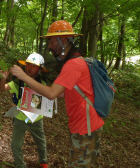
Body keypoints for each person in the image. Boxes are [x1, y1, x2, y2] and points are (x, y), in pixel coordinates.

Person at [10, 20, 104, 167]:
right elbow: (62, 93)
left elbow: (52, 93)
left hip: (86, 127)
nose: (49, 46)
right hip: (88, 126)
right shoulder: (78, 61)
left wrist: (23, 76)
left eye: (51, 41)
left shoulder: (73, 65)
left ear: (63, 40)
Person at [0, 53, 49, 168]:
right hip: (20, 118)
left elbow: (48, 98)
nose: (29, 68)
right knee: (15, 145)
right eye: (28, 65)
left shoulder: (43, 84)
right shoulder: (18, 82)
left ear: (39, 69)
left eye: (33, 66)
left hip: (36, 119)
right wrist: (3, 79)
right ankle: (20, 165)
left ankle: (43, 162)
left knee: (41, 142)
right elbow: (2, 89)